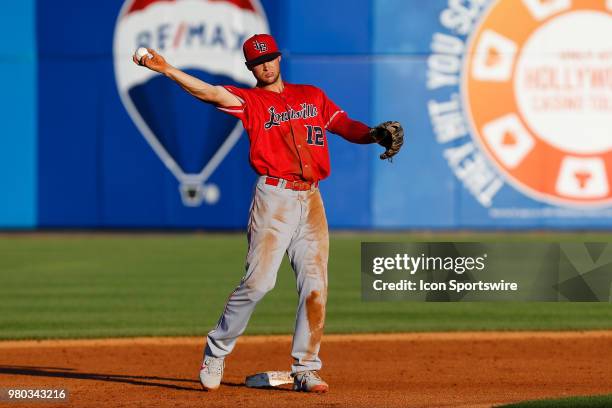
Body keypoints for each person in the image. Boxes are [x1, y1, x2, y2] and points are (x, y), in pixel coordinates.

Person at [133, 33, 403, 393]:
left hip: (312, 200)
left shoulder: (312, 96)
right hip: (274, 198)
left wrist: (373, 135)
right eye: (258, 61)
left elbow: (343, 125)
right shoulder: (250, 101)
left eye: (270, 57)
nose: (266, 64)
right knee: (259, 283)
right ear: (250, 67)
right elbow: (209, 92)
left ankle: (306, 368)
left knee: (315, 286)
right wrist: (167, 69)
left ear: (279, 58)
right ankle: (216, 350)